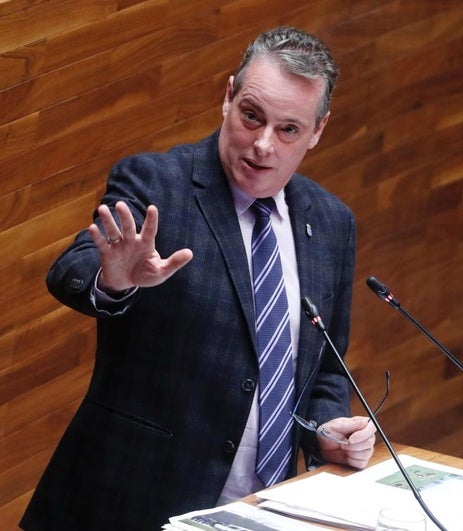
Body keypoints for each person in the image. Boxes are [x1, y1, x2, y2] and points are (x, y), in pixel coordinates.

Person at [21, 26, 376, 530]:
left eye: (289, 129)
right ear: (227, 97)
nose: (263, 145)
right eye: (252, 116)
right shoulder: (157, 183)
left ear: (318, 131)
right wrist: (114, 279)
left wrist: (327, 429)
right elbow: (71, 270)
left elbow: (324, 369)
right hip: (131, 508)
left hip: (265, 511)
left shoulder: (332, 221)